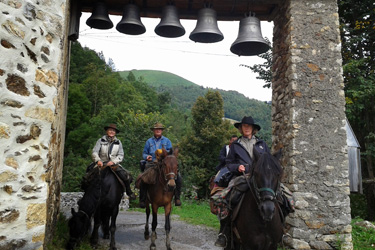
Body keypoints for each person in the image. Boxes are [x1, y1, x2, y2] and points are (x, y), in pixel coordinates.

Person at [214, 116, 270, 248]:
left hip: (260, 177)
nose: (246, 128)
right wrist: (237, 167)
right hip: (242, 177)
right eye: (244, 126)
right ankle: (224, 233)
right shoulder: (236, 145)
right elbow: (229, 163)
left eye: (249, 126)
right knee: (228, 198)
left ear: (253, 129)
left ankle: (282, 232)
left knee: (282, 196)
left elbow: (269, 161)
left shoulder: (262, 144)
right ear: (241, 128)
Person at [83, 124, 136, 200]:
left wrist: (113, 162)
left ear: (115, 133)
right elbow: (94, 152)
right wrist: (98, 160)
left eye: (113, 131)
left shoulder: (118, 142)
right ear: (107, 131)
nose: (112, 132)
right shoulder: (100, 140)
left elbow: (120, 155)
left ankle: (128, 192)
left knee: (126, 176)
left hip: (113, 164)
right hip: (101, 163)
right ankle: (86, 194)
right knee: (88, 176)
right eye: (110, 130)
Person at [138, 122, 182, 208]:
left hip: (164, 164)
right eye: (156, 129)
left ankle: (177, 198)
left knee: (178, 177)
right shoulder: (149, 141)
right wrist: (147, 157)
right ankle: (142, 199)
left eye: (160, 129)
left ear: (161, 131)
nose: (158, 130)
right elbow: (144, 153)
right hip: (152, 163)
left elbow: (171, 153)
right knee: (144, 178)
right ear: (153, 131)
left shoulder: (167, 141)